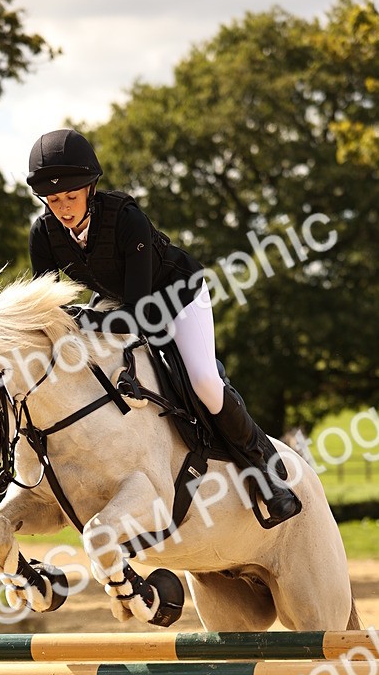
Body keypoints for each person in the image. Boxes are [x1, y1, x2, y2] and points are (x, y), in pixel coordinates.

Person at [25, 128, 301, 524]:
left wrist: (83, 319)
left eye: (71, 196)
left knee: (204, 381)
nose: (64, 208)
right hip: (115, 301)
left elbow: (141, 313)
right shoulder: (43, 234)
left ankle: (265, 469)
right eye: (53, 200)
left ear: (90, 188)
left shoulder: (126, 220)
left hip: (174, 297)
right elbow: (47, 310)